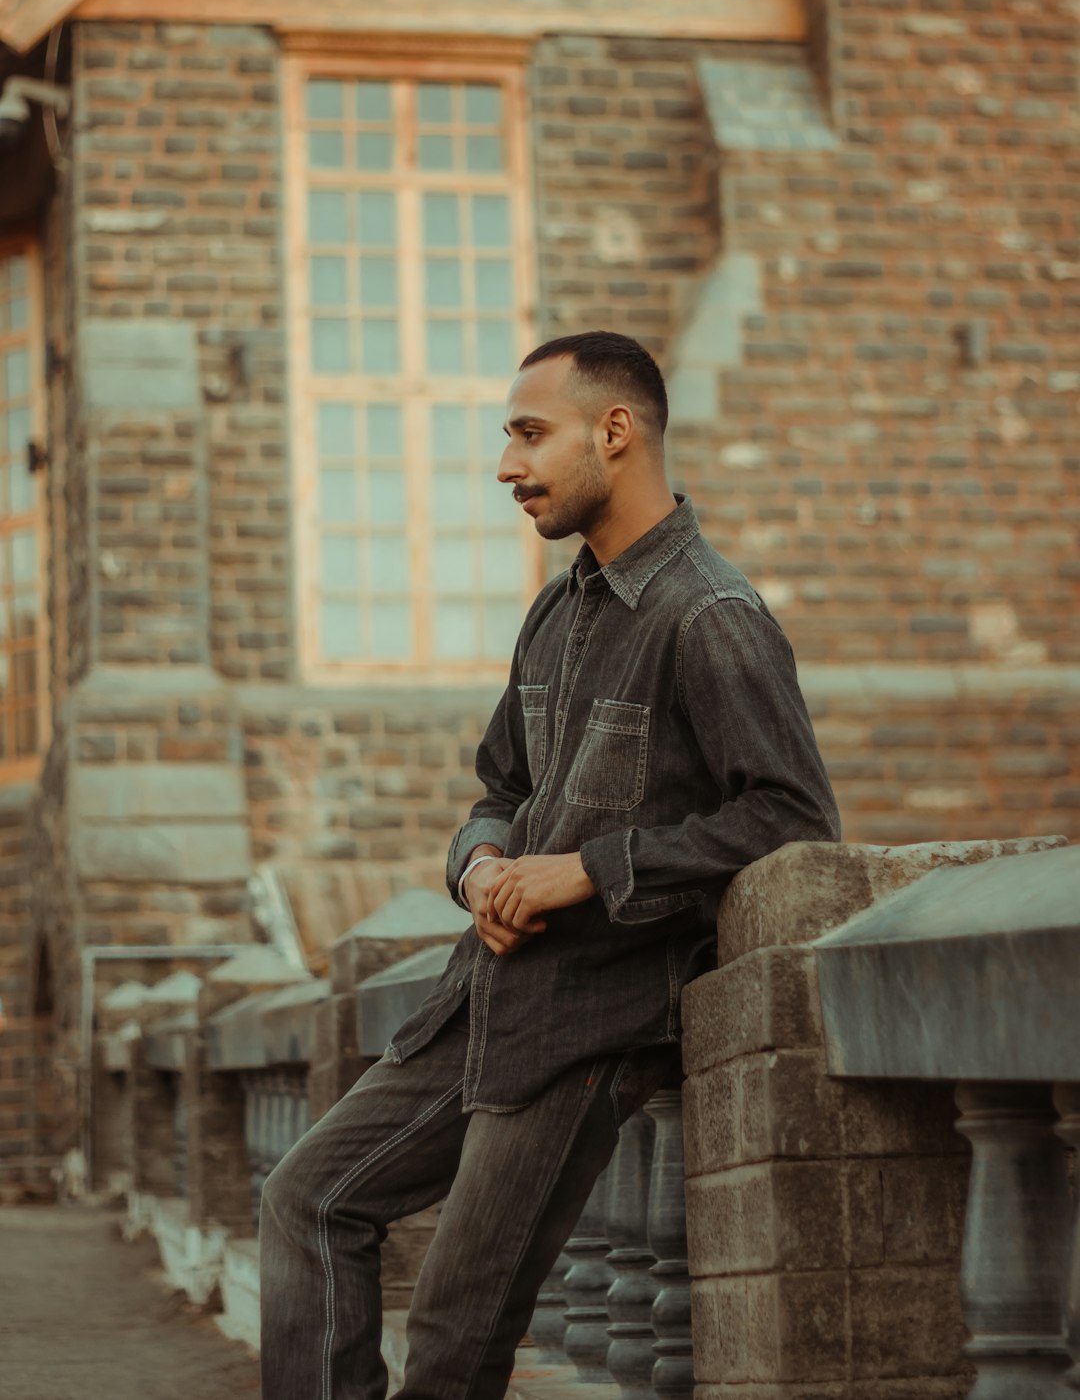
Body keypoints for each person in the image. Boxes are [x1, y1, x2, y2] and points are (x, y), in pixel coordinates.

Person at [260, 330, 840, 1400]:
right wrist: (481, 866)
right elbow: (498, 792)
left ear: (615, 433)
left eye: (530, 434)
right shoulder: (558, 611)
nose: (506, 466)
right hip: (481, 1003)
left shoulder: (710, 616)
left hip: (591, 1024)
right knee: (308, 1198)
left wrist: (590, 869)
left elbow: (793, 819)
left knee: (449, 1338)